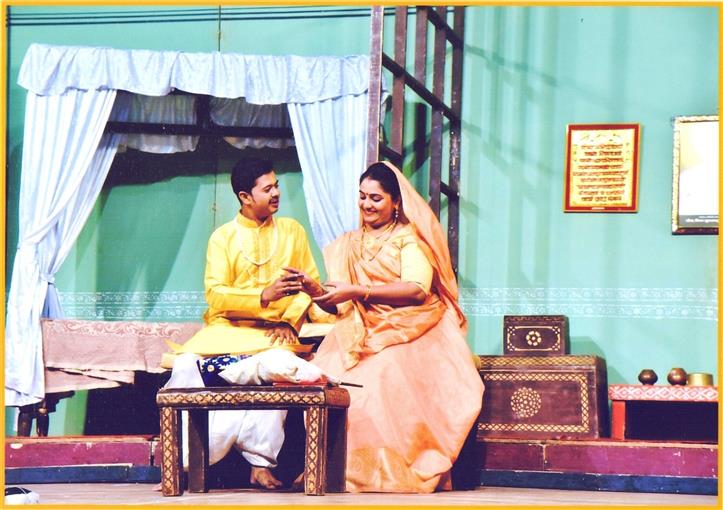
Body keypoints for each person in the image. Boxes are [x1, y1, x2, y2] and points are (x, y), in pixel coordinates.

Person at [301, 161, 484, 493]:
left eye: (376, 198)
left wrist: (360, 291)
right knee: (328, 379)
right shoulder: (348, 243)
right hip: (360, 331)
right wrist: (314, 291)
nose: (366, 204)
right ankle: (331, 469)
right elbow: (340, 303)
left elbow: (416, 289)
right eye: (362, 196)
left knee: (378, 381)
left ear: (396, 202)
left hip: (412, 327)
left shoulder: (409, 239)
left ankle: (380, 473)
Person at [164, 157, 322, 490]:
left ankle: (259, 463)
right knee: (185, 366)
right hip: (227, 331)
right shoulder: (222, 238)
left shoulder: (292, 232)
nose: (276, 193)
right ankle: (183, 463)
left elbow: (308, 287)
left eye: (276, 185)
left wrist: (289, 321)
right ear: (245, 197)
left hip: (273, 332)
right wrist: (262, 296)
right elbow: (216, 295)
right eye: (267, 189)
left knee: (279, 367)